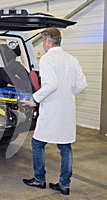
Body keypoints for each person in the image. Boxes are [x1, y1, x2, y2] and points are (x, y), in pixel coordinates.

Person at [22, 28, 87, 195]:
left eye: (43, 41)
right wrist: (67, 94)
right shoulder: (72, 59)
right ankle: (64, 184)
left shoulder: (47, 59)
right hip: (67, 109)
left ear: (47, 41)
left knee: (37, 144)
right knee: (65, 147)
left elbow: (51, 85)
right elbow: (81, 84)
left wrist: (34, 99)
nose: (43, 44)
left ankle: (39, 179)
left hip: (51, 108)